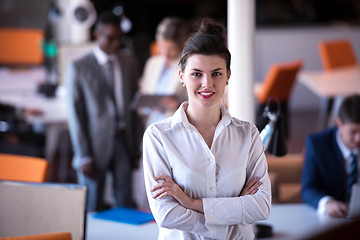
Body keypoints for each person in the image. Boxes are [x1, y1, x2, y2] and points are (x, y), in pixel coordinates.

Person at [142, 18, 271, 239]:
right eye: (196, 74)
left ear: (228, 76)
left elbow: (261, 206)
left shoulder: (247, 134)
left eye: (216, 73)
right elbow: (166, 213)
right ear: (181, 76)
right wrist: (233, 212)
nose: (207, 83)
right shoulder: (158, 136)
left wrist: (192, 203)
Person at [66, 11, 141, 212]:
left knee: (125, 202)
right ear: (98, 34)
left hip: (124, 141)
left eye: (119, 38)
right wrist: (84, 156)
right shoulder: (78, 67)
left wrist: (137, 146)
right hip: (93, 145)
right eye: (110, 38)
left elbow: (134, 107)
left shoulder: (129, 63)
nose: (116, 43)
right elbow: (75, 115)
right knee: (92, 204)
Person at [301, 94, 360, 218]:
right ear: (339, 123)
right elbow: (308, 189)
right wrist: (327, 202)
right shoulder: (317, 144)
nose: (358, 138)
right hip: (333, 219)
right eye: (353, 131)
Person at [138, 17, 188, 126]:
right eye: (162, 47)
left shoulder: (188, 65)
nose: (165, 53)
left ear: (182, 45)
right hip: (151, 125)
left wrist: (178, 104)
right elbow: (143, 101)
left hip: (176, 128)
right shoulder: (152, 63)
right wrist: (149, 105)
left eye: (171, 48)